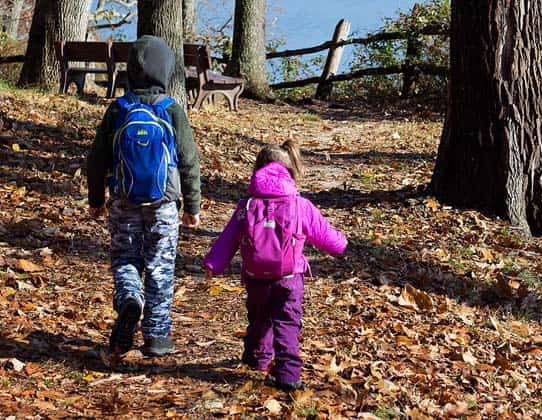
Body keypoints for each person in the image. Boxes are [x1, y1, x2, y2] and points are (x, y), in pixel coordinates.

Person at [86, 35, 202, 357]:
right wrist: (192, 205)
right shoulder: (171, 109)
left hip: (123, 200)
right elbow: (189, 160)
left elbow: (96, 160)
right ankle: (157, 336)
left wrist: (96, 199)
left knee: (125, 258)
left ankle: (129, 300)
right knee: (161, 267)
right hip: (164, 202)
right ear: (166, 69)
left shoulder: (119, 109)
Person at [204, 141, 347, 390]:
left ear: (257, 170)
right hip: (289, 277)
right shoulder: (300, 205)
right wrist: (342, 246)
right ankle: (289, 375)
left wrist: (214, 264)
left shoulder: (247, 205)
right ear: (291, 170)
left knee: (259, 319)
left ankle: (257, 358)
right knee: (287, 324)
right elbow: (325, 235)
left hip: (255, 276)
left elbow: (228, 239)